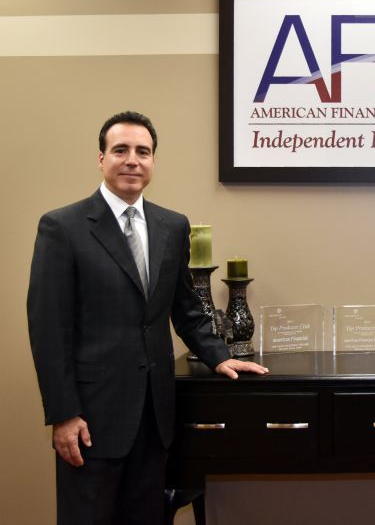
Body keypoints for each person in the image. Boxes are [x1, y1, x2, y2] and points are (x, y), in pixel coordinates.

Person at [27, 111, 269, 524]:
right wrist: (63, 414)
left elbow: (186, 308)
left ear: (153, 161)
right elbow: (48, 328)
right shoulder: (62, 227)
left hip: (155, 417)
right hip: (92, 418)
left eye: (143, 151)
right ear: (101, 159)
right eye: (120, 150)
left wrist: (217, 355)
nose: (132, 160)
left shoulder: (171, 226)